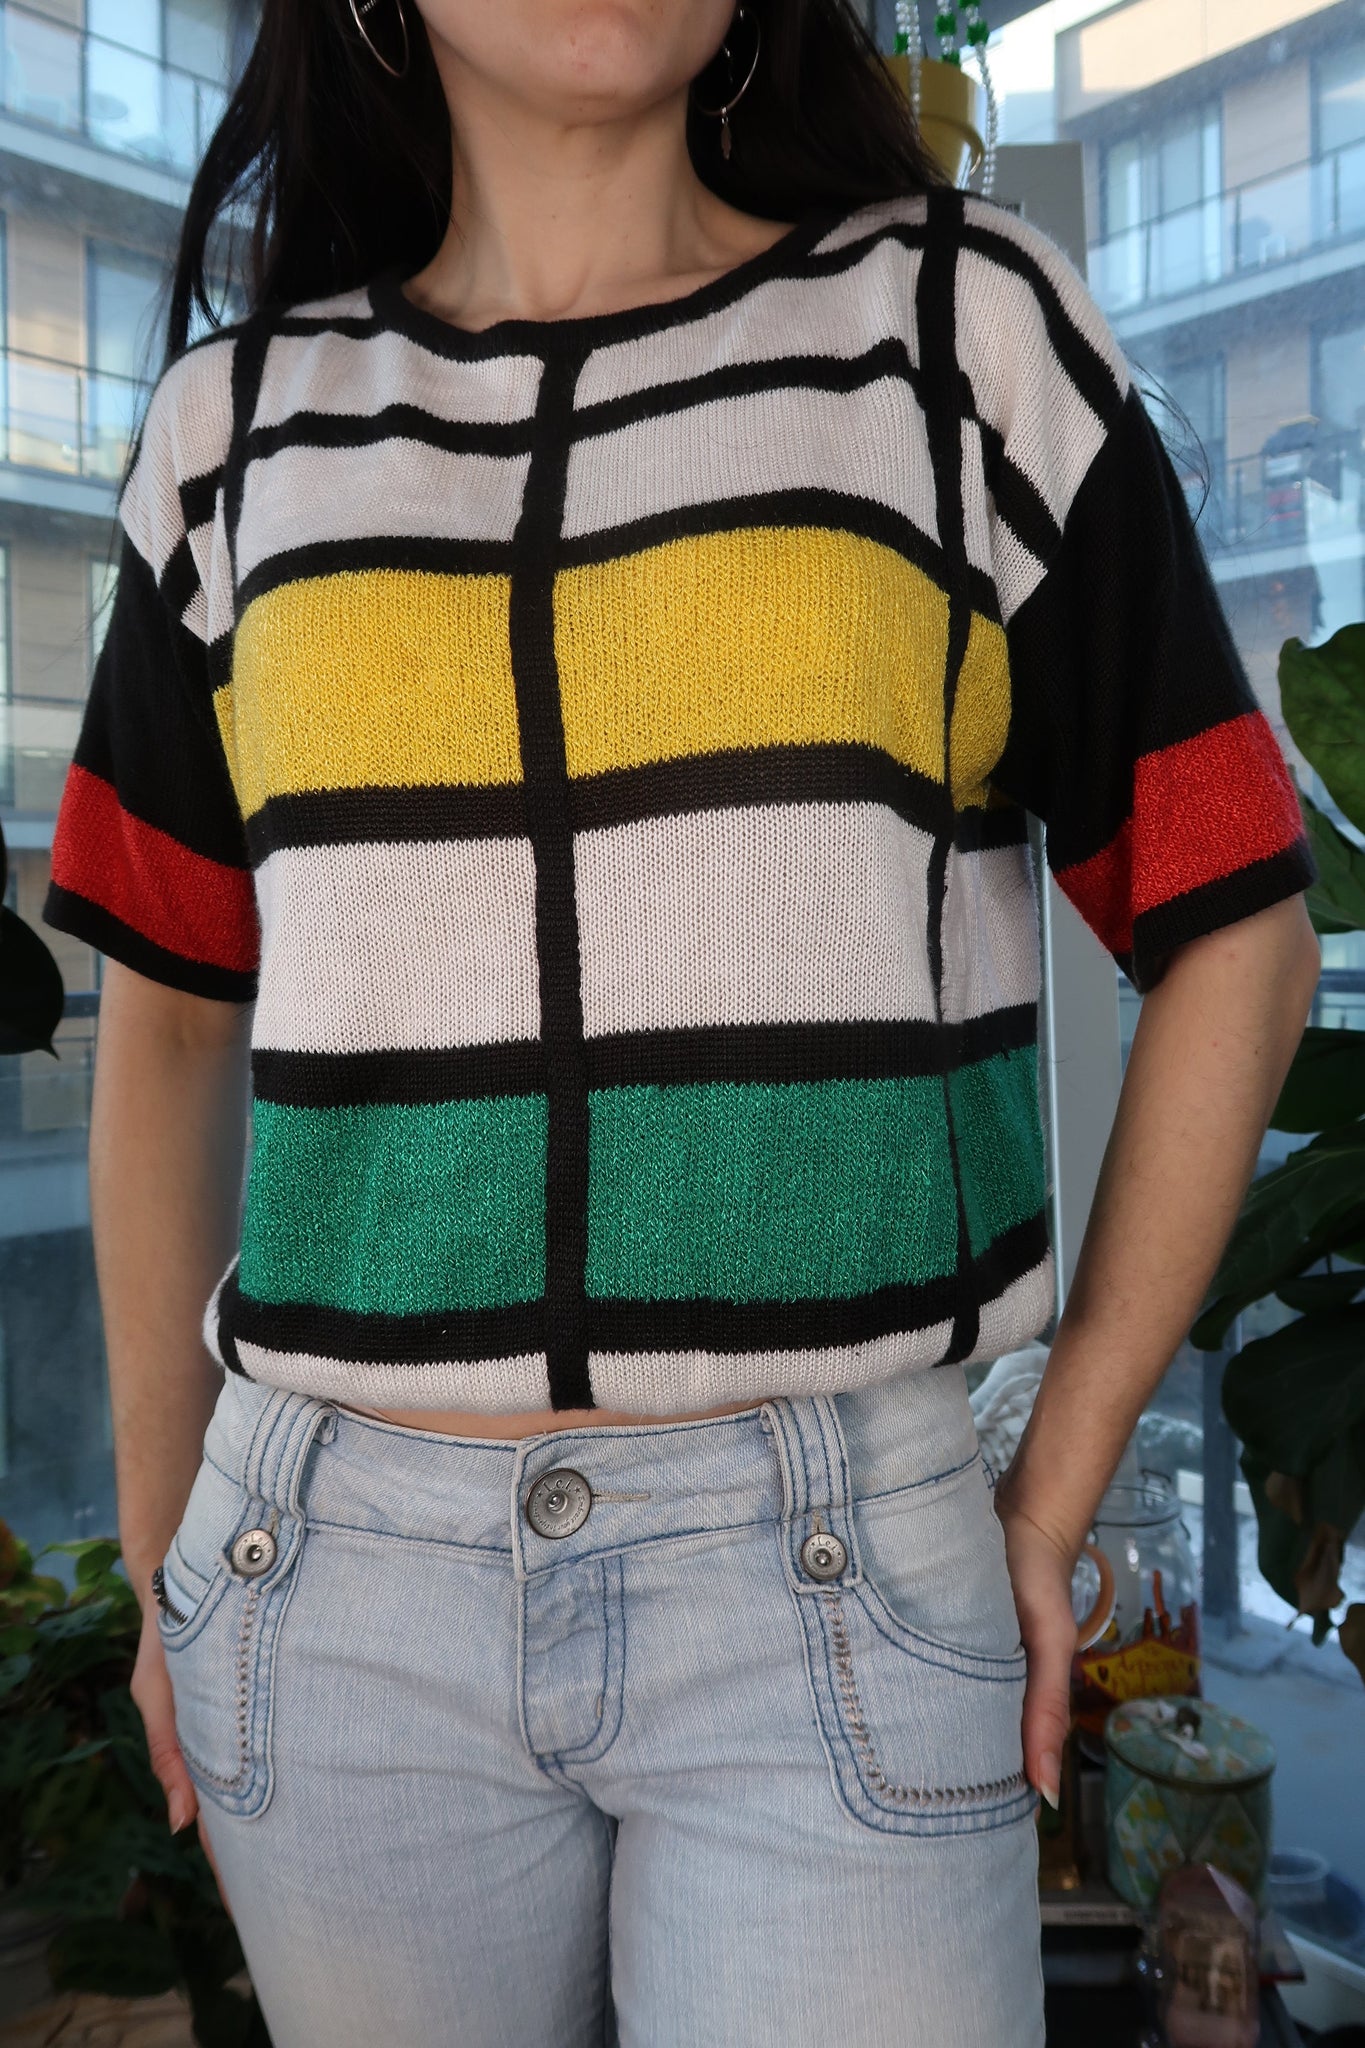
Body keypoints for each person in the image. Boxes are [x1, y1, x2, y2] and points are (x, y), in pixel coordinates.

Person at [42, 0, 1321, 2042]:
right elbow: (172, 1008)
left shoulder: (954, 333)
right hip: (334, 1576)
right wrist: (164, 1532)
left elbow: (1235, 919)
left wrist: (1051, 1477)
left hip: (831, 1560)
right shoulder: (235, 427)